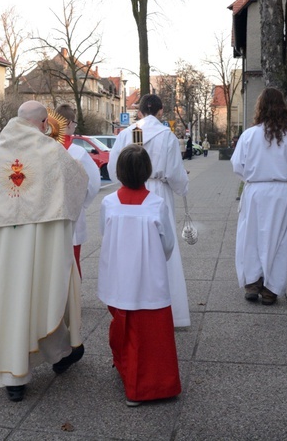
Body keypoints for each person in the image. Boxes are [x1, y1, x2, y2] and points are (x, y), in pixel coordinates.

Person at [0, 100, 88, 402]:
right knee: (40, 294)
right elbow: (78, 181)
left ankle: (16, 376)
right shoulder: (51, 150)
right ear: (45, 122)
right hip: (38, 238)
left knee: (7, 300)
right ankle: (58, 353)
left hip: (4, 244)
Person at [99, 144, 181, 407]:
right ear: (147, 171)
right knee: (152, 334)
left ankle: (127, 370)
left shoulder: (108, 203)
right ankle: (157, 383)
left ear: (119, 172)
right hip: (149, 279)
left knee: (127, 328)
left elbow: (106, 235)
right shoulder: (156, 205)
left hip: (120, 277)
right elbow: (168, 244)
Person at [107, 94, 191, 328]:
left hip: (131, 191)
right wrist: (183, 187)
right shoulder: (166, 136)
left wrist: (125, 180)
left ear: (140, 112)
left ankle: (132, 301)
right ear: (161, 112)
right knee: (162, 245)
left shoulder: (128, 134)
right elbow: (175, 172)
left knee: (132, 247)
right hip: (159, 191)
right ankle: (168, 310)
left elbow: (114, 169)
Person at [231, 87, 287, 305]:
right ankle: (271, 289)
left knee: (252, 236)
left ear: (260, 108)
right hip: (281, 193)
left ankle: (252, 282)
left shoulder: (249, 136)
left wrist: (252, 177)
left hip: (256, 191)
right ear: (283, 108)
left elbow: (238, 165)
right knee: (279, 238)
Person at [55, 103, 101, 277]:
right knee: (73, 259)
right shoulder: (78, 152)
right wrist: (83, 202)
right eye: (74, 123)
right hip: (73, 210)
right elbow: (94, 183)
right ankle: (73, 301)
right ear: (67, 123)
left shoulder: (43, 148)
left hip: (49, 211)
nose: (74, 127)